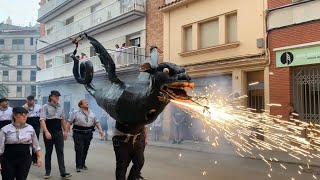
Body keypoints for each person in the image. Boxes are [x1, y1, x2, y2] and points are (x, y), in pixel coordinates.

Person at [0, 107, 42, 180]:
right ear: (15, 116)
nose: (24, 116)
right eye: (22, 114)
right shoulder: (5, 129)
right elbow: (0, 147)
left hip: (24, 158)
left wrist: (39, 157)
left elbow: (35, 145)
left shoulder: (30, 128)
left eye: (25, 114)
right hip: (8, 159)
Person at [40, 90, 72, 179]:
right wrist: (46, 132)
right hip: (49, 131)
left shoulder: (60, 107)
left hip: (58, 132)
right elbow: (42, 120)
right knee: (48, 152)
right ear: (51, 97)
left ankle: (63, 172)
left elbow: (62, 119)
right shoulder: (45, 107)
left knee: (60, 152)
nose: (57, 98)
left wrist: (65, 132)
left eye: (58, 97)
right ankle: (47, 172)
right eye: (55, 96)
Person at [65, 99, 104, 172]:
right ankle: (78, 165)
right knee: (79, 149)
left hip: (88, 133)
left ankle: (83, 163)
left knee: (85, 149)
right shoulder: (75, 113)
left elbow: (97, 122)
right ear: (81, 105)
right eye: (85, 102)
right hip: (78, 133)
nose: (87, 103)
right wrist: (66, 132)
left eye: (87, 102)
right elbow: (69, 122)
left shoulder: (91, 112)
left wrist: (100, 130)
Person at [23, 95, 42, 166]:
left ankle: (35, 160)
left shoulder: (38, 106)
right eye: (28, 100)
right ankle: (26, 158)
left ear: (34, 100)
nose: (29, 101)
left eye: (31, 100)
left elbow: (41, 116)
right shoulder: (24, 107)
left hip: (36, 122)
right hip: (28, 122)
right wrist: (25, 108)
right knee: (26, 141)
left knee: (35, 141)